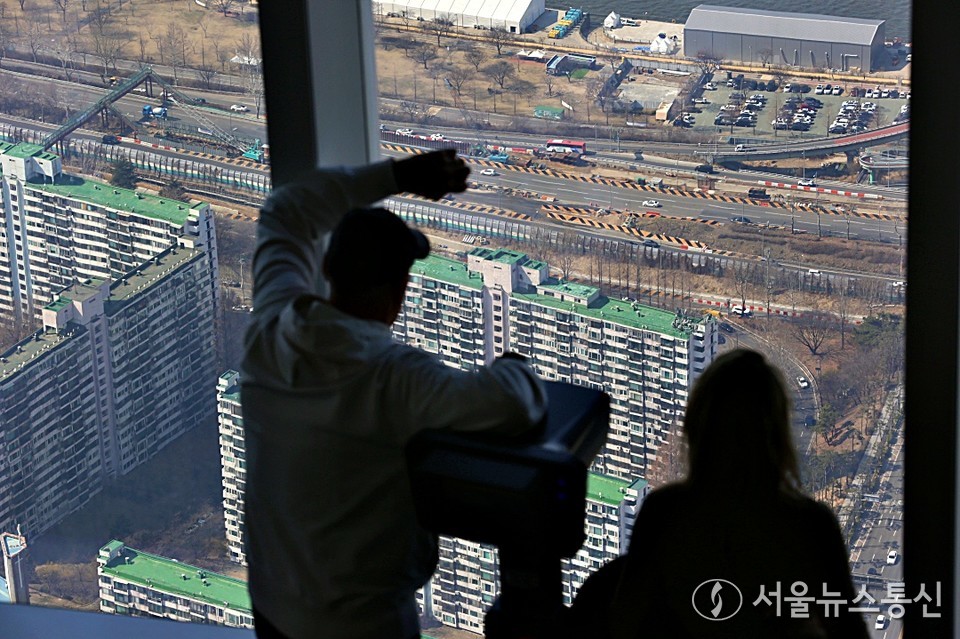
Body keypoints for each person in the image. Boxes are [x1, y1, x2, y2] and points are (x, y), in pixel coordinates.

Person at [240, 149, 548, 639]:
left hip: (274, 609)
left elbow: (287, 208)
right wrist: (513, 366)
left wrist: (400, 175)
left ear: (329, 270)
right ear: (400, 289)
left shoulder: (269, 328)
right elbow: (511, 402)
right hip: (364, 626)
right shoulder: (394, 378)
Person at [570, 349, 868, 639]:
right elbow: (848, 630)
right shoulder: (810, 526)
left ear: (696, 428)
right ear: (775, 435)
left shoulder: (666, 512)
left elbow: (625, 620)